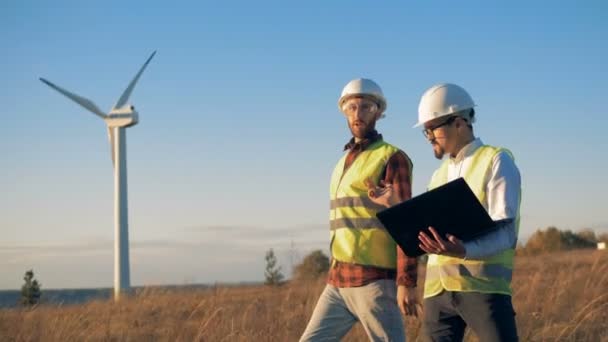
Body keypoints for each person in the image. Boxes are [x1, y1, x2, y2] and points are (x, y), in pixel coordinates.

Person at [368, 83, 521, 341]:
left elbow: (505, 235)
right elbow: (426, 228)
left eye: (431, 130)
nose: (428, 138)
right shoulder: (439, 175)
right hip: (438, 292)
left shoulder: (496, 161)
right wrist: (396, 205)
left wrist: (463, 251)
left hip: (482, 288)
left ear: (459, 123)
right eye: (425, 132)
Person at [299, 78, 420, 342]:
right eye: (352, 107)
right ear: (344, 111)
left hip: (375, 282)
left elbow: (407, 222)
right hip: (338, 282)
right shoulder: (341, 162)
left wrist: (407, 281)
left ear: (378, 112)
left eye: (366, 107)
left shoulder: (392, 157)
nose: (358, 113)